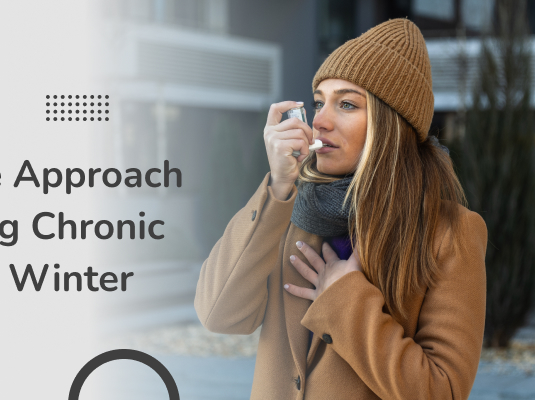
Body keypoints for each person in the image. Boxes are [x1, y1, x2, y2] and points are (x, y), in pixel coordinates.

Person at [194, 18, 487, 399]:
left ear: (391, 124)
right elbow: (219, 313)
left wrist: (346, 298)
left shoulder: (449, 232)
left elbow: (441, 390)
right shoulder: (289, 211)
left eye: (347, 104)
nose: (320, 121)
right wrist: (278, 187)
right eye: (319, 102)